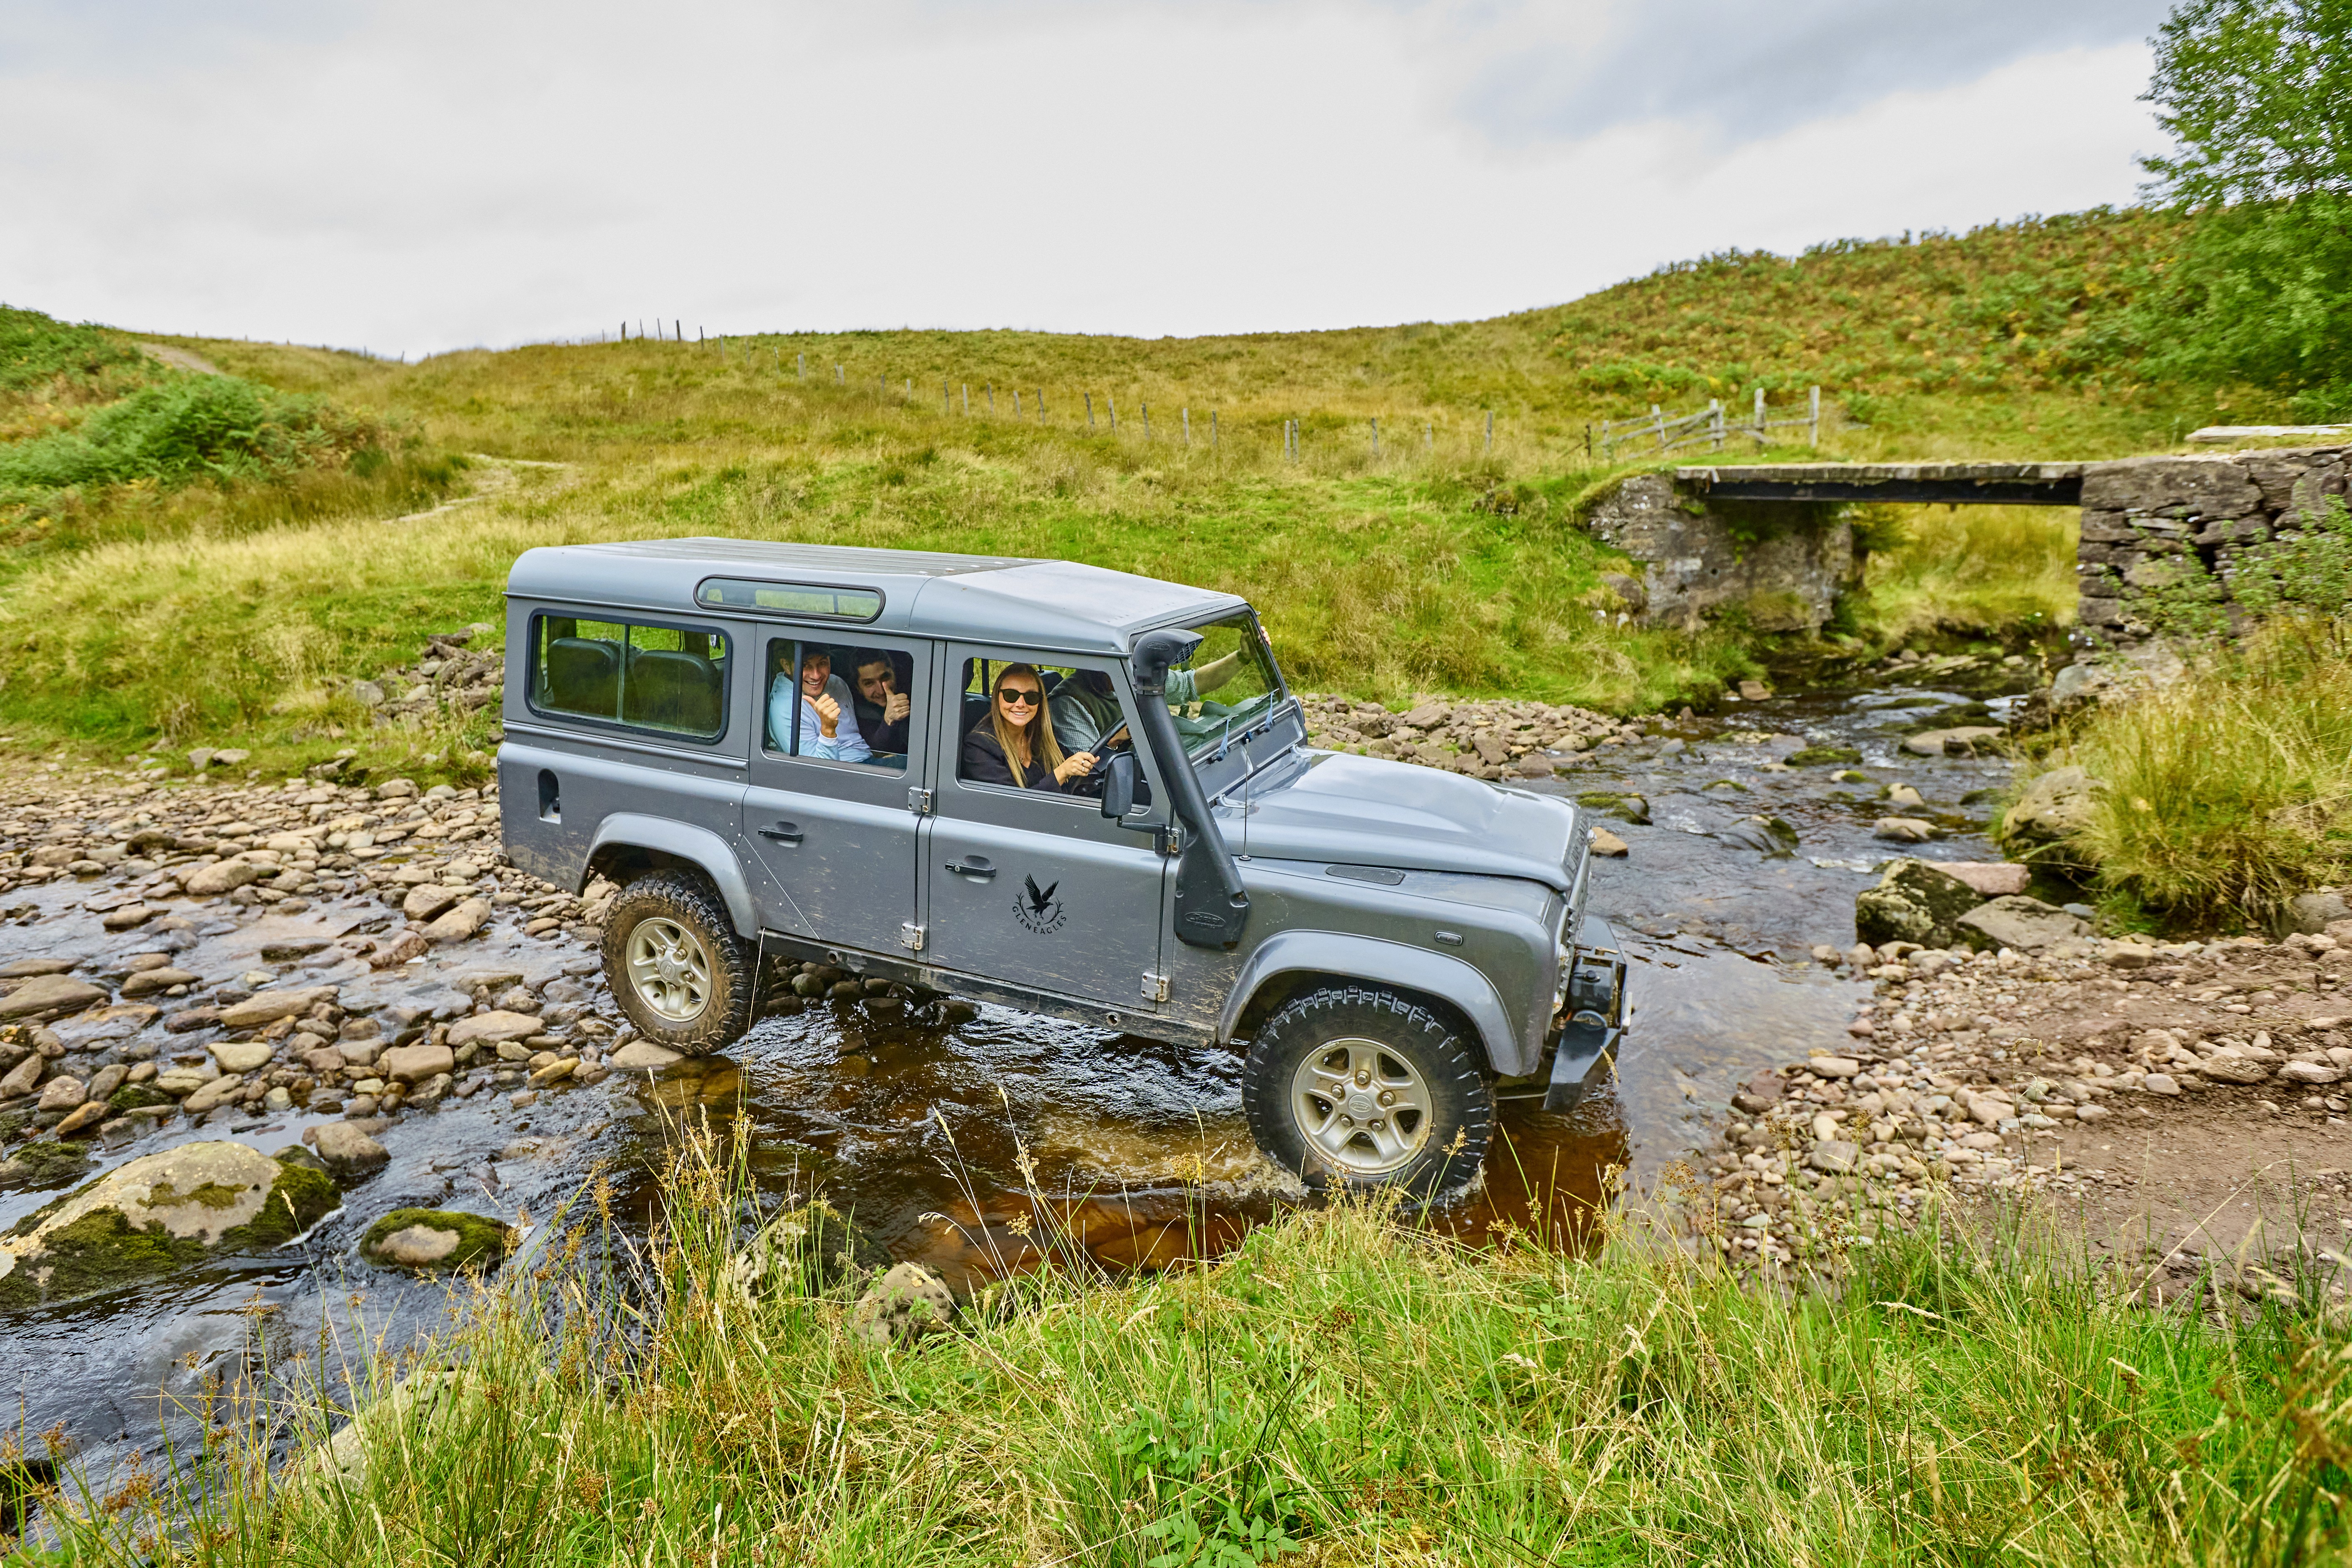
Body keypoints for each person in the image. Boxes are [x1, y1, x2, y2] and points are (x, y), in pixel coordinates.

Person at [1050, 641, 1253, 754]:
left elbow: (1192, 684)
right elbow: (1091, 768)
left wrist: (1242, 657)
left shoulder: (1134, 673)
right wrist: (1122, 736)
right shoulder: (1068, 703)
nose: (1136, 667)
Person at [962, 663, 1097, 792]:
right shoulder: (978, 747)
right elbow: (1014, 807)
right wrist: (1062, 773)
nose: (1021, 704)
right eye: (1011, 695)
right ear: (997, 697)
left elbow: (1076, 780)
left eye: (1031, 697)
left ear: (1040, 701)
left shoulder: (1040, 736)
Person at [767, 646, 869, 762]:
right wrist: (828, 730)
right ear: (786, 666)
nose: (816, 675)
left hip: (866, 758)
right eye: (805, 665)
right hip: (843, 772)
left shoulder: (837, 683)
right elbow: (817, 772)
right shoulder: (785, 707)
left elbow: (853, 739)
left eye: (822, 663)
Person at [849, 648, 912, 755]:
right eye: (869, 683)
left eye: (885, 678)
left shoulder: (915, 687)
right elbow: (876, 751)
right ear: (858, 688)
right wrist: (889, 720)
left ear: (894, 672)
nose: (881, 690)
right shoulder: (857, 712)